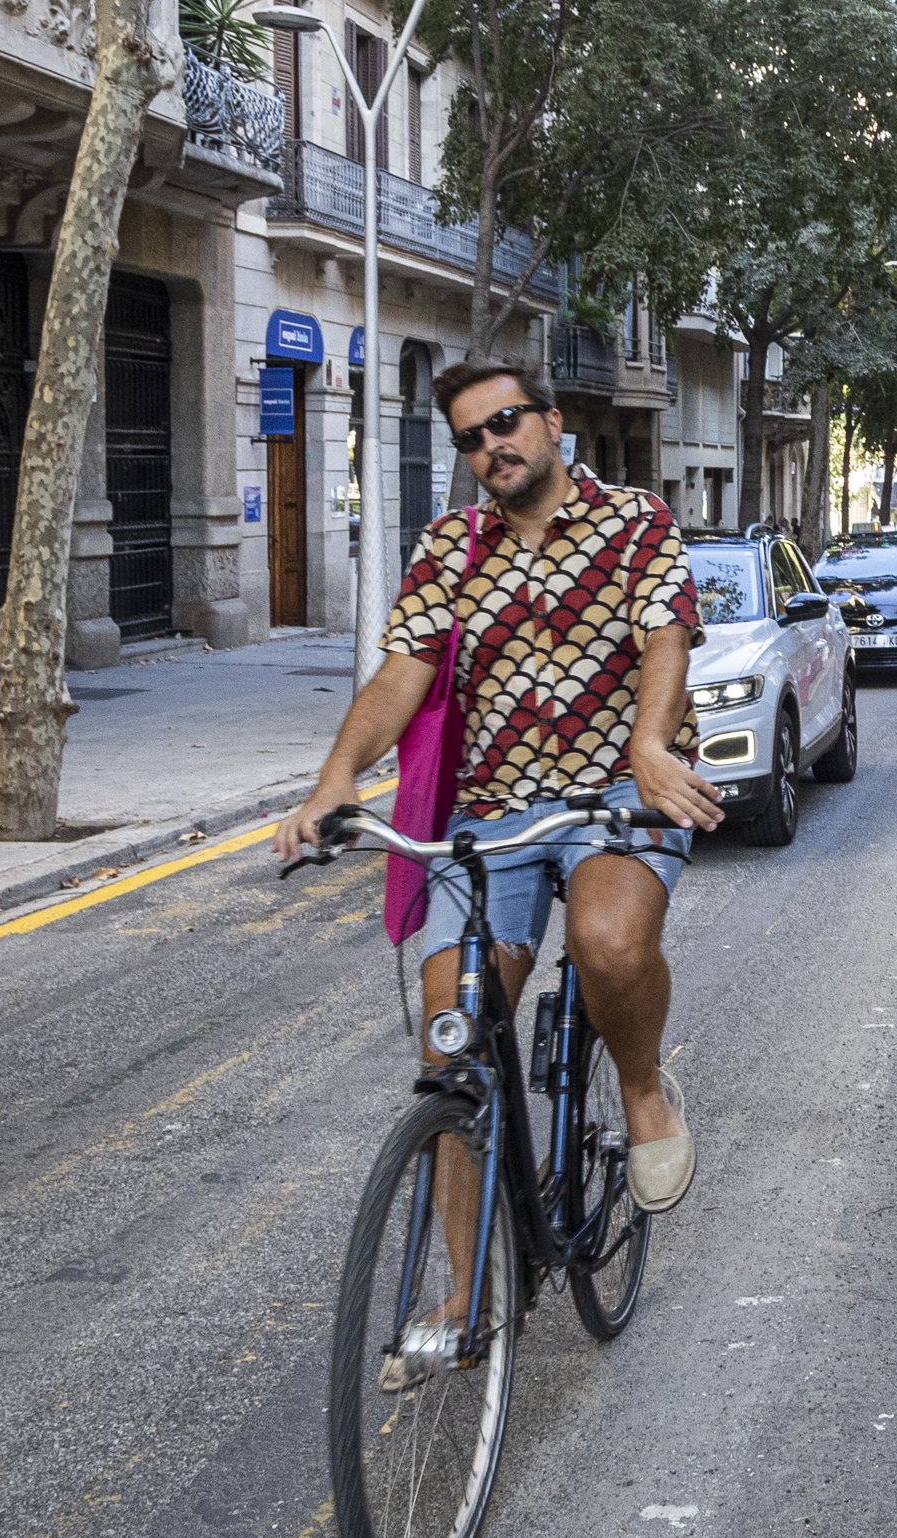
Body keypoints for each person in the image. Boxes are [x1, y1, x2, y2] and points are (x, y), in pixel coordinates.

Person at [274, 359, 723, 1216]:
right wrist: (336, 778)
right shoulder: (448, 547)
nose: (492, 446)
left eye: (506, 423)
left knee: (609, 943)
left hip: (617, 794)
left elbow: (667, 633)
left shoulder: (635, 522)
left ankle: (640, 1089)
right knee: (453, 1050)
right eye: (471, 438)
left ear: (552, 425)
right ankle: (460, 1302)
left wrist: (651, 744)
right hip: (492, 809)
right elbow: (402, 673)